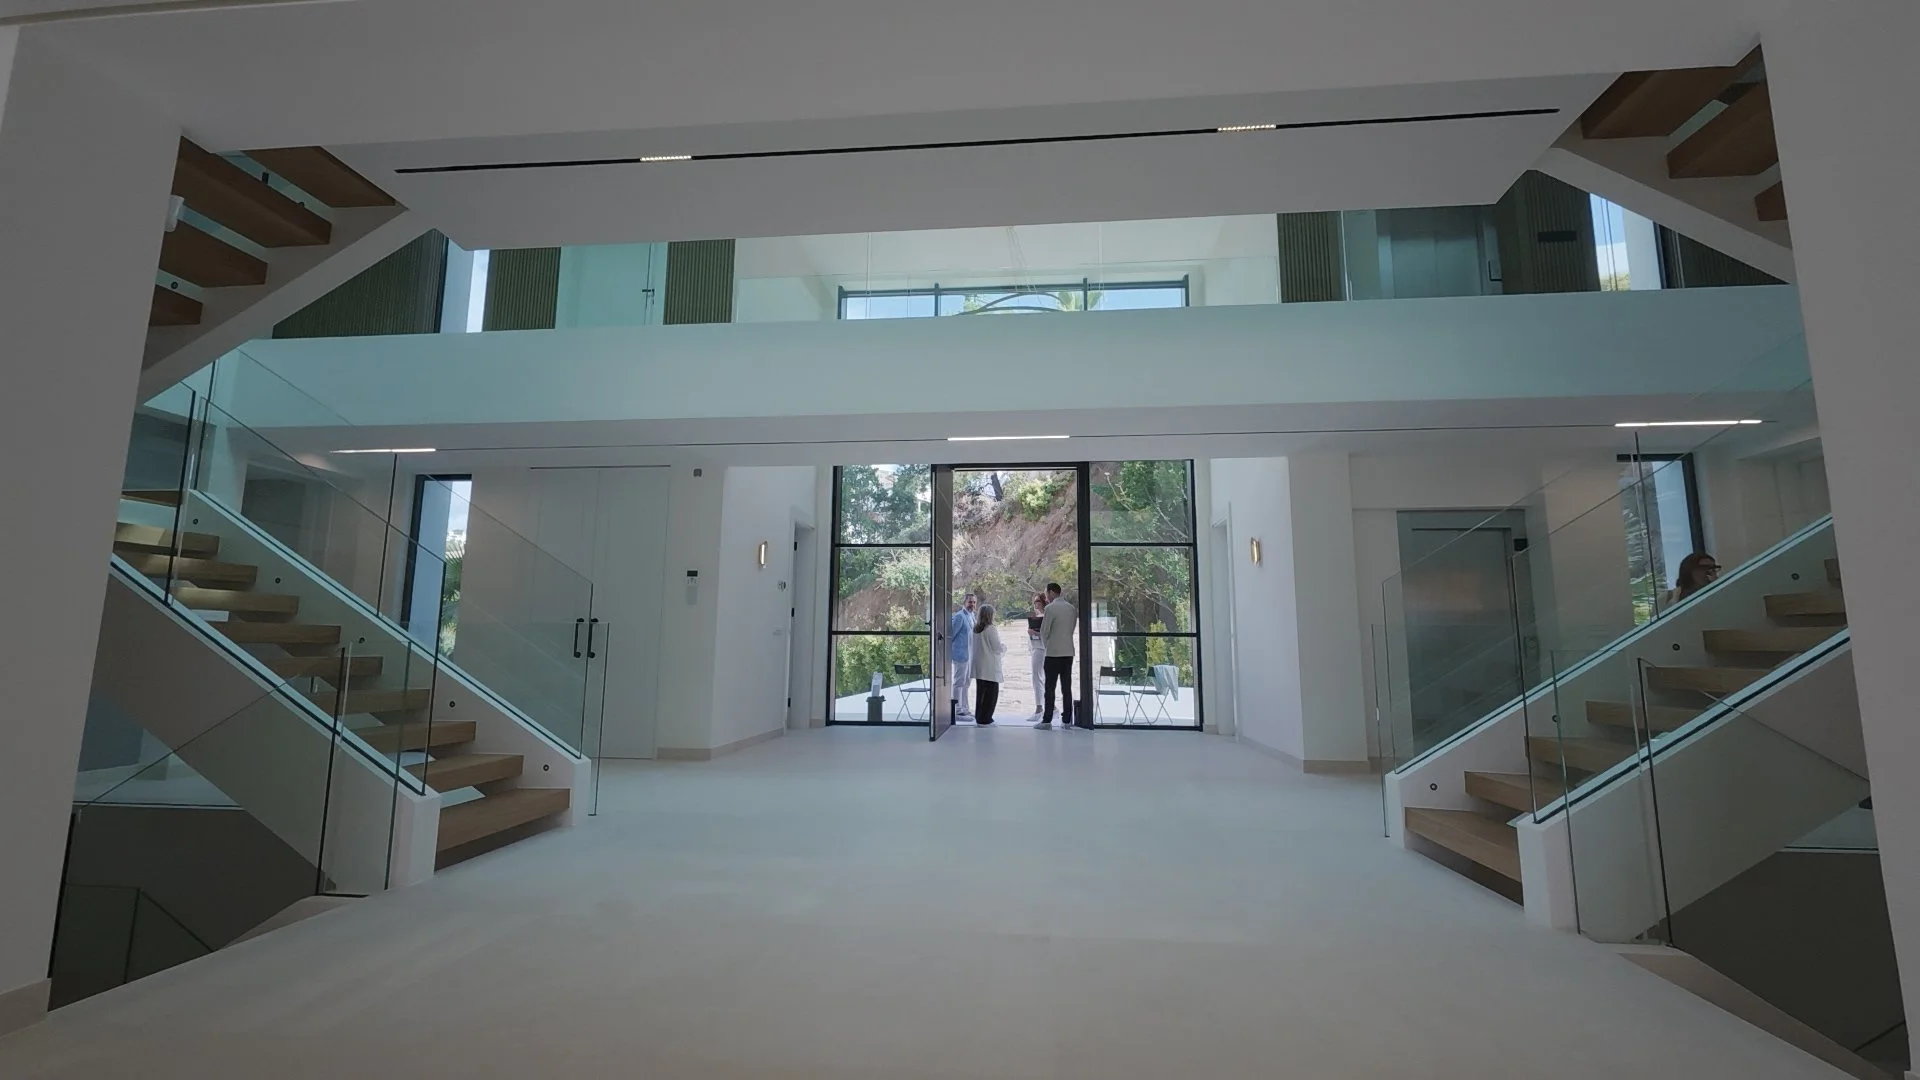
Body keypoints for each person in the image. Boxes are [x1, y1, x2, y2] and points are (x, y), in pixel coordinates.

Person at [1035, 582, 1077, 728]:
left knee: (1050, 687)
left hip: (1053, 653)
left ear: (1052, 592)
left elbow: (1044, 631)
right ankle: (1067, 720)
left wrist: (1048, 646)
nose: (1046, 597)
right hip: (1068, 652)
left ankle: (1047, 720)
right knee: (1066, 687)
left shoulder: (1050, 609)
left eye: (1046, 593)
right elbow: (1071, 629)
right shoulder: (1071, 608)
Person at [971, 604, 1005, 725]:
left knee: (980, 693)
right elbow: (996, 647)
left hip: (978, 665)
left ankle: (979, 716)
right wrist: (1004, 647)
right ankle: (986, 718)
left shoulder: (975, 629)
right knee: (991, 693)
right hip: (989, 665)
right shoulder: (990, 629)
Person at [947, 591, 978, 720]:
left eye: (974, 602)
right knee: (958, 682)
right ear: (964, 603)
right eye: (970, 602)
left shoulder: (972, 616)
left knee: (966, 683)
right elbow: (951, 635)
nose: (972, 604)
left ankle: (965, 708)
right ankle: (956, 710)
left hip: (969, 656)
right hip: (960, 655)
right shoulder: (959, 617)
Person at [1024, 593, 1047, 720]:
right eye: (1034, 601)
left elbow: (1046, 636)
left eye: (1037, 601)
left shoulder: (1045, 617)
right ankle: (1051, 707)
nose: (1035, 604)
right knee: (1041, 679)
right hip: (1036, 648)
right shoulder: (1038, 616)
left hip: (1040, 649)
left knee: (1037, 678)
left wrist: (1034, 633)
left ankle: (1039, 708)